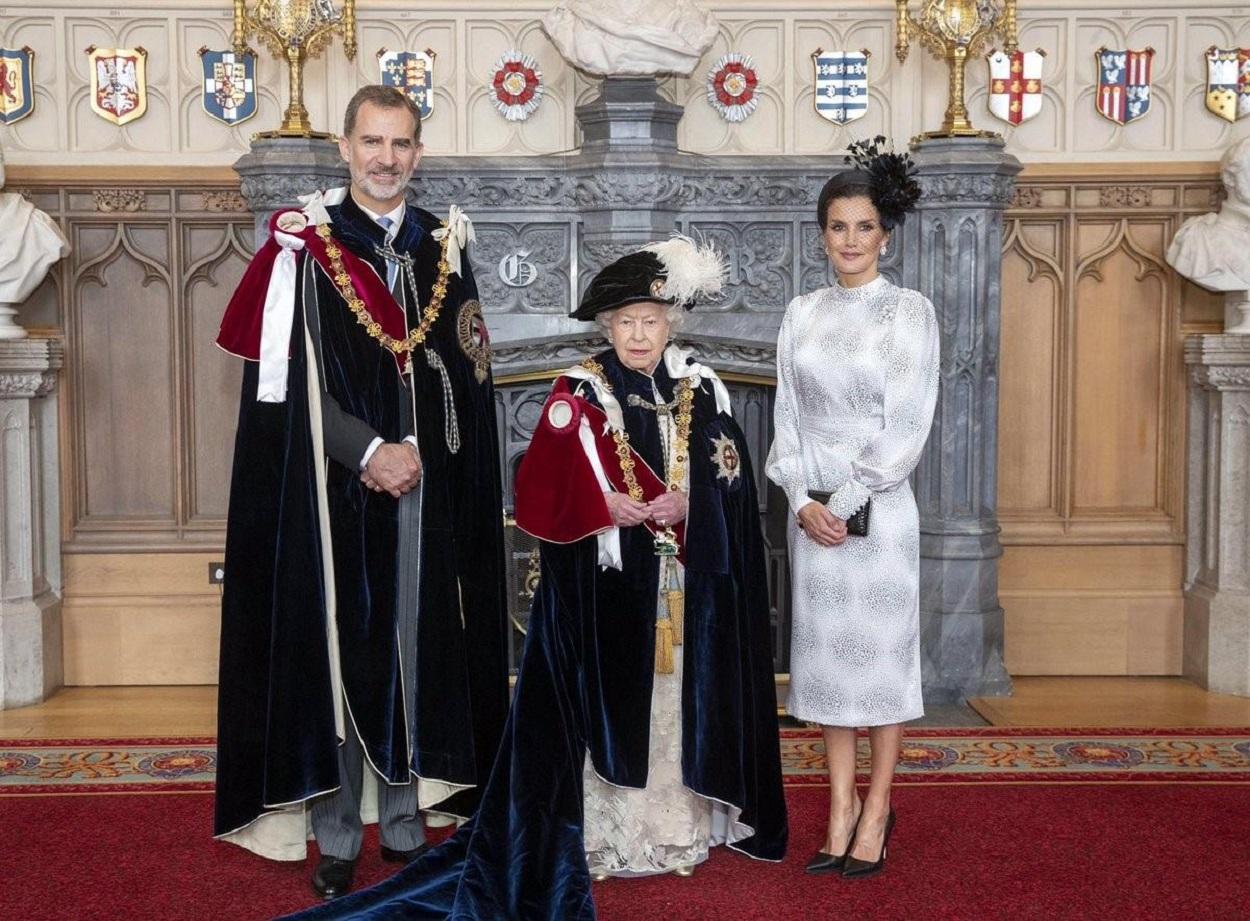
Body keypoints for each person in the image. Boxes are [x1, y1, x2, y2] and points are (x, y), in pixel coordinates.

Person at [283, 237, 787, 920]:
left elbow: (732, 480)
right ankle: (611, 837)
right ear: (607, 326)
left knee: (674, 709)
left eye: (652, 320)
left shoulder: (704, 388)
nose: (639, 335)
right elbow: (539, 492)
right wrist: (601, 505)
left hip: (680, 590)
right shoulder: (576, 392)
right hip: (603, 596)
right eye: (626, 322)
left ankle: (676, 828)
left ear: (673, 321)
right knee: (612, 710)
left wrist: (692, 505)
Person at [212, 84, 509, 901]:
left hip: (428, 487)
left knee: (419, 645)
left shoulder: (439, 247)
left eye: (402, 144)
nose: (387, 159)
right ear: (344, 147)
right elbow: (288, 387)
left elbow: (464, 376)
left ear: (418, 152)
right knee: (346, 650)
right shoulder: (305, 249)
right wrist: (371, 449)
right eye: (372, 142)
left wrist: (422, 454)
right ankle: (339, 832)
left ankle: (409, 822)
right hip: (333, 490)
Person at [765, 137, 936, 879]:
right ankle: (837, 807)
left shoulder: (909, 312)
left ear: (885, 235)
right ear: (823, 233)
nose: (851, 240)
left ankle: (878, 805)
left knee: (883, 668)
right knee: (828, 671)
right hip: (816, 520)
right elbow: (785, 420)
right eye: (838, 226)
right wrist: (802, 499)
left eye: (864, 227)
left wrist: (850, 496)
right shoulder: (801, 312)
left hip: (881, 512)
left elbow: (909, 420)